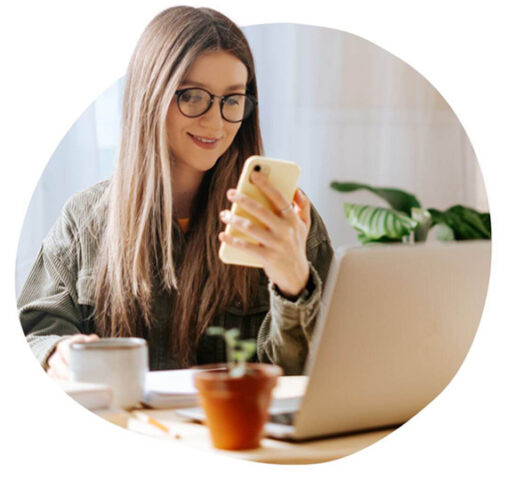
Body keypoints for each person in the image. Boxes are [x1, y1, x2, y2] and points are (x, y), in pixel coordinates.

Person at [18, 6, 333, 379]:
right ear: (150, 96)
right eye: (192, 96)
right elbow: (36, 330)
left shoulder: (287, 223)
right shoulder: (84, 218)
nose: (215, 122)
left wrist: (294, 284)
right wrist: (57, 352)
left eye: (232, 99)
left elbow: (315, 376)